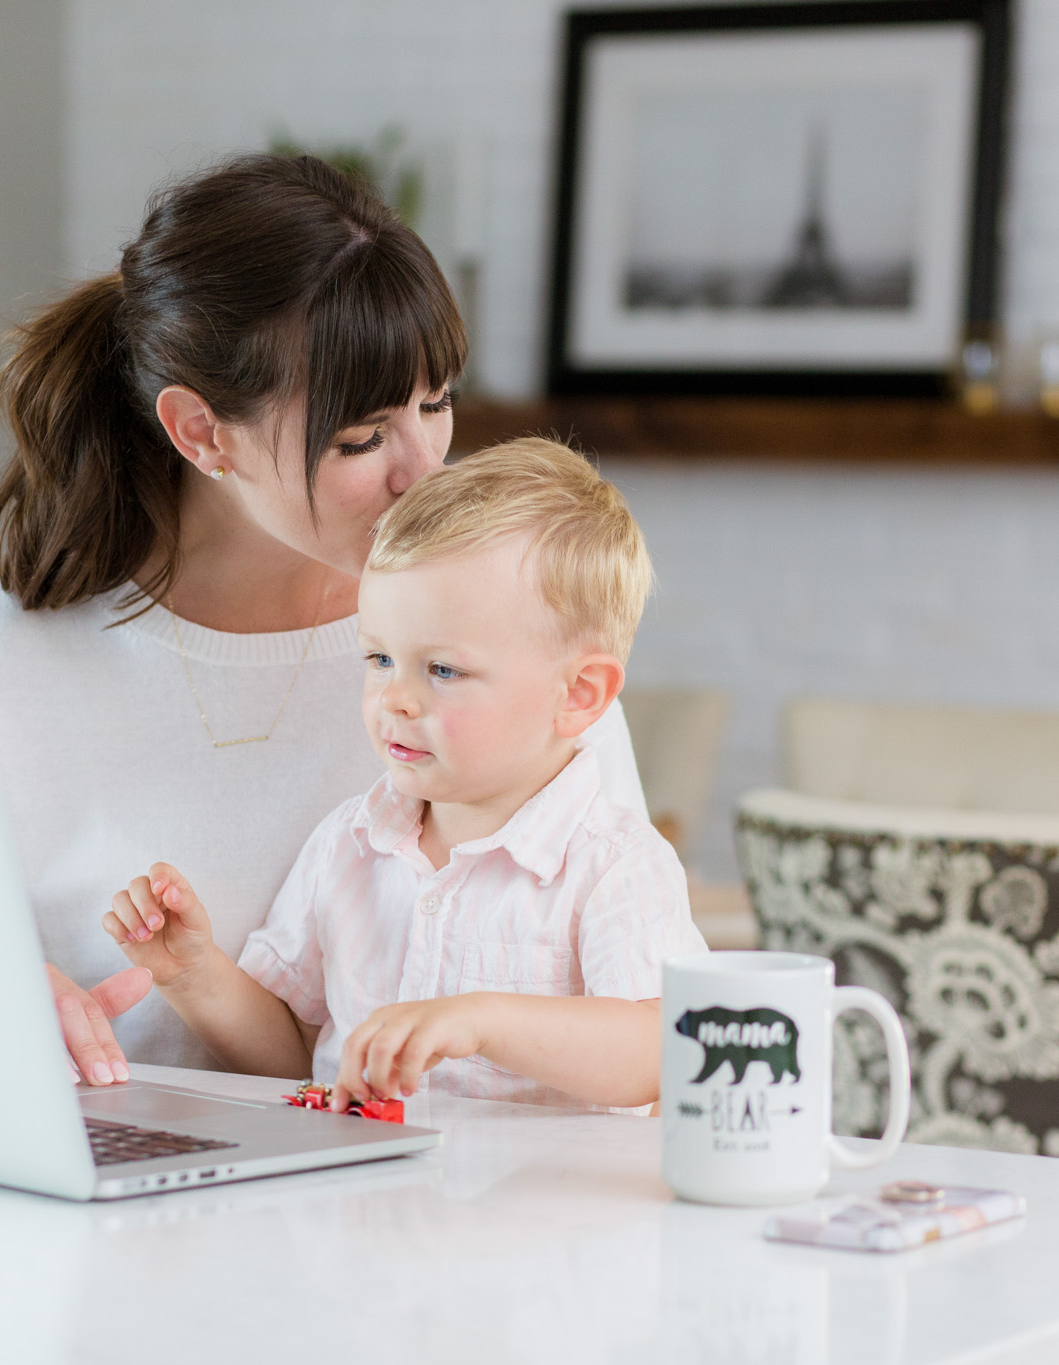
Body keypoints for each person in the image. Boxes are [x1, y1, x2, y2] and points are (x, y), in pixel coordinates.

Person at [0, 154, 653, 1083]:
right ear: (200, 432)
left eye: (436, 404)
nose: (426, 476)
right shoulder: (8, 662)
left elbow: (636, 1014)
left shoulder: (494, 634)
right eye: (361, 438)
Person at [104, 439, 706, 1111]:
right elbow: (294, 1053)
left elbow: (660, 1049)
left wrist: (480, 1020)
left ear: (579, 695)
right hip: (352, 1202)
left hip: (531, 1212)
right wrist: (193, 974)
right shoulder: (350, 844)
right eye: (380, 658)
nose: (394, 697)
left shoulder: (614, 863)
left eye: (442, 670)